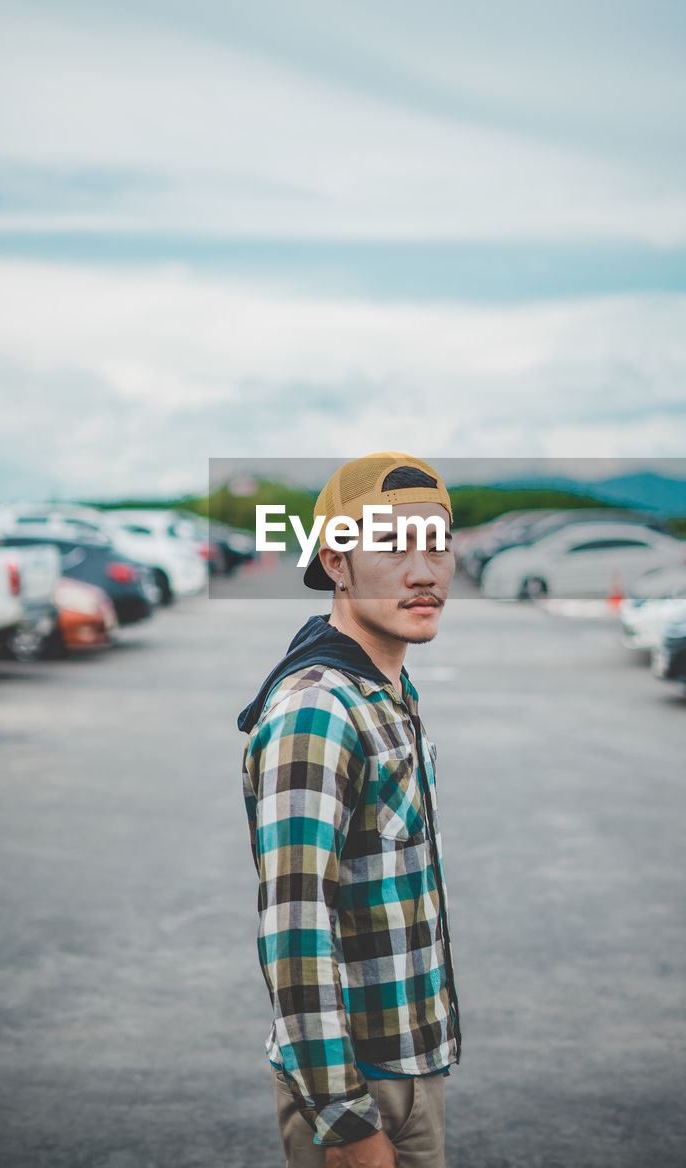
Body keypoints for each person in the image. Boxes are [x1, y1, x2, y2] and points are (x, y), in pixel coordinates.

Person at [238, 453, 461, 1168]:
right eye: (393, 545)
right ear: (336, 563)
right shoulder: (318, 709)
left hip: (410, 1066)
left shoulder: (385, 690)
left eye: (437, 543)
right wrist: (344, 1121)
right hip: (360, 1092)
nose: (423, 570)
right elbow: (296, 933)